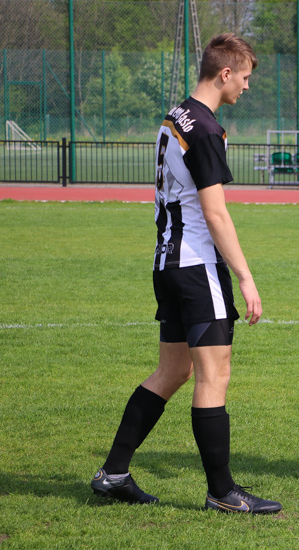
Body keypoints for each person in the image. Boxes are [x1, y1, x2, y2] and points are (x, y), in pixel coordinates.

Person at [90, 33, 281, 514]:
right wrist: (245, 277)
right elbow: (215, 214)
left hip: (167, 263)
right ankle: (223, 493)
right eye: (245, 78)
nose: (246, 87)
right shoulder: (205, 129)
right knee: (214, 375)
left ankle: (113, 473)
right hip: (197, 267)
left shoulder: (174, 117)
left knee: (173, 369)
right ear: (224, 74)